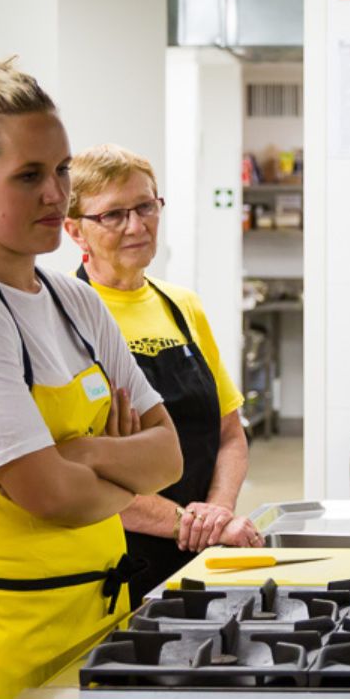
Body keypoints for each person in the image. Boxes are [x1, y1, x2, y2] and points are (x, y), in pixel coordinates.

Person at [0, 59, 181, 699]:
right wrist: (104, 464)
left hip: (102, 626)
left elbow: (169, 456)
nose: (56, 194)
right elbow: (48, 495)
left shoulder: (76, 301)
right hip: (6, 654)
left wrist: (75, 452)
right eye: (29, 176)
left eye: (60, 170)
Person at [65, 145, 260, 599]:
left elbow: (229, 432)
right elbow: (73, 475)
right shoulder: (64, 316)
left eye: (146, 206)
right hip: (115, 563)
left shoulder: (182, 306)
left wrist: (217, 513)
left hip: (202, 551)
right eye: (113, 214)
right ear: (75, 231)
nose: (137, 225)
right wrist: (189, 524)